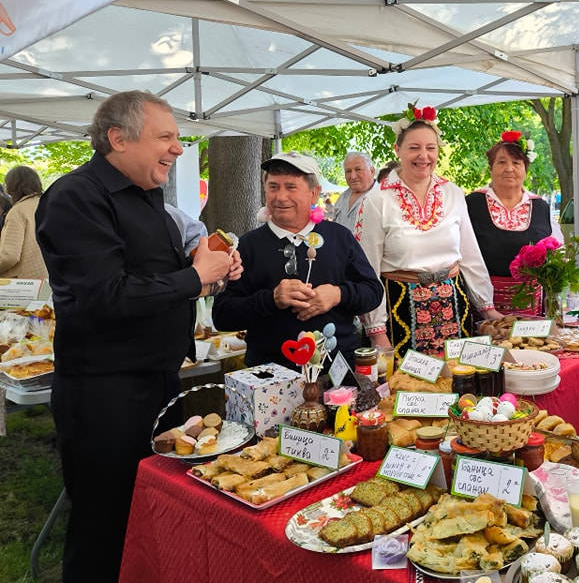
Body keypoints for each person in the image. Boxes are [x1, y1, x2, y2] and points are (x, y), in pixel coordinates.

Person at [35, 90, 240, 582]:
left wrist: (206, 270)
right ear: (118, 138)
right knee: (105, 525)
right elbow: (104, 295)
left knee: (152, 515)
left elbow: (150, 277)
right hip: (105, 394)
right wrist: (194, 277)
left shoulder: (147, 195)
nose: (178, 149)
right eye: (165, 137)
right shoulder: (75, 198)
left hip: (156, 382)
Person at [213, 151, 383, 369]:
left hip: (338, 372)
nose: (281, 196)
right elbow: (222, 315)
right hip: (271, 375)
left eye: (291, 187)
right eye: (273, 187)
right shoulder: (247, 246)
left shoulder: (339, 237)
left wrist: (337, 294)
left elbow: (373, 292)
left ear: (314, 193)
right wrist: (271, 299)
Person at [355, 106, 501, 358]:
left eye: (430, 148)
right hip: (399, 310)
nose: (423, 156)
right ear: (397, 149)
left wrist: (486, 306)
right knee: (407, 381)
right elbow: (368, 268)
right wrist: (376, 330)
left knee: (460, 376)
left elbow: (469, 254)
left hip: (455, 306)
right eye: (414, 147)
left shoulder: (453, 193)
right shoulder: (377, 200)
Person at [465, 130, 562, 315]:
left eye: (516, 163)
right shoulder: (472, 204)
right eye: (501, 162)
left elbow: (557, 255)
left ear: (525, 169)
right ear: (491, 168)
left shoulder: (540, 206)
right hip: (482, 307)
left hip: (531, 308)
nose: (509, 168)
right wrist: (485, 307)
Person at [0, 165, 47, 279]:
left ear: (12, 185)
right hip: (47, 278)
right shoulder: (46, 205)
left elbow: (9, 256)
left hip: (22, 283)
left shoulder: (18, 211)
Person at [330, 151, 377, 232]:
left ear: (372, 171)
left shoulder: (383, 197)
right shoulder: (342, 197)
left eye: (358, 169)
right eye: (348, 171)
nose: (353, 176)